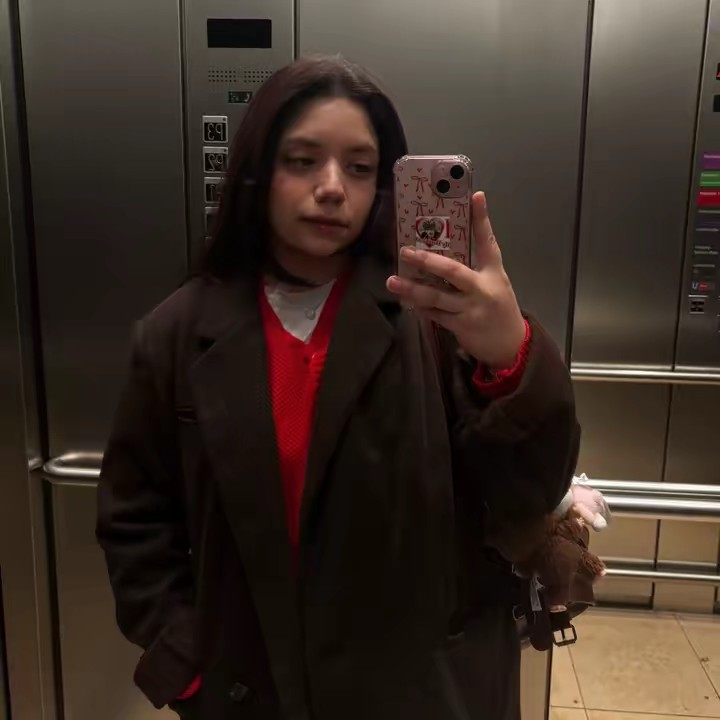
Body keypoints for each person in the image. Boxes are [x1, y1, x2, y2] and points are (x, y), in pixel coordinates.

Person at [96, 55, 580, 720]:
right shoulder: (177, 334)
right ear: (258, 172)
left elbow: (528, 491)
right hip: (253, 694)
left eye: (358, 167)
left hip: (425, 694)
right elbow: (135, 522)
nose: (331, 188)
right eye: (303, 161)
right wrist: (187, 669)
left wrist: (509, 354)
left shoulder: (434, 318)